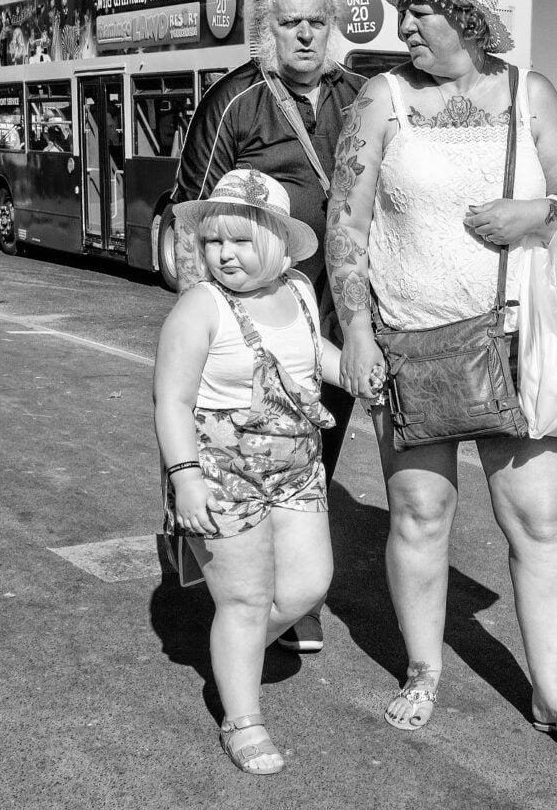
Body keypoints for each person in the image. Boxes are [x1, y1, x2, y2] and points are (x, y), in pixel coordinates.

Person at [325, 0, 557, 755]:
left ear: (466, 16)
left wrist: (543, 216)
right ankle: (422, 670)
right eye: (406, 9)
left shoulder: (530, 94)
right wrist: (354, 328)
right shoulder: (381, 98)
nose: (405, 24)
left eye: (419, 11)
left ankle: (551, 691)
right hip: (408, 339)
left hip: (517, 340)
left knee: (542, 518)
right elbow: (345, 224)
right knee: (420, 515)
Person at [172, 0, 366, 653]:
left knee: (314, 445)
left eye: (318, 21)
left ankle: (290, 585)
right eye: (291, 22)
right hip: (251, 315)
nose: (306, 34)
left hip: (333, 313)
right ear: (269, 29)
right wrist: (207, 314)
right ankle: (239, 584)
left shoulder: (360, 95)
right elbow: (187, 214)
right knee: (243, 442)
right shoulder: (235, 97)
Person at [153, 168, 342, 775]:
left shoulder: (301, 292)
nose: (224, 254)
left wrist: (363, 372)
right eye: (214, 242)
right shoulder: (199, 306)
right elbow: (173, 401)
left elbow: (315, 355)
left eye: (240, 240)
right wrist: (185, 477)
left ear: (281, 244)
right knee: (245, 596)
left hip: (297, 465)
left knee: (309, 583)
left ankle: (234, 652)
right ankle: (243, 717)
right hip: (220, 469)